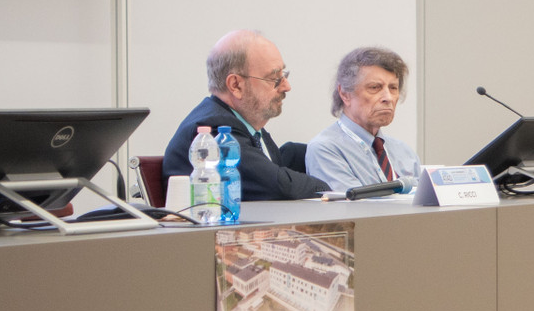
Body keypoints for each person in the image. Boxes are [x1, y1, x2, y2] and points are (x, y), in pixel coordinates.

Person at [163, 30, 330, 201]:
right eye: (274, 78)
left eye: (284, 75)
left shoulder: (252, 129)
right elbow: (280, 186)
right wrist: (330, 189)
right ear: (236, 85)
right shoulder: (215, 129)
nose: (286, 87)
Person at [306, 47, 422, 193]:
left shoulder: (405, 153)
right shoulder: (326, 149)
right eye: (375, 87)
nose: (388, 98)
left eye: (393, 88)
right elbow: (355, 209)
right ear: (345, 94)